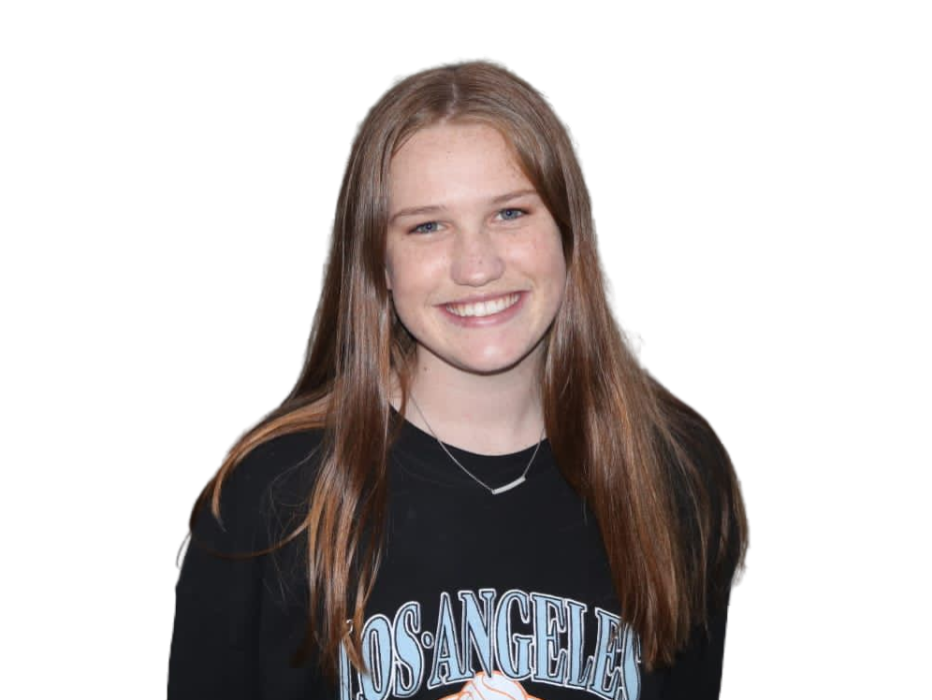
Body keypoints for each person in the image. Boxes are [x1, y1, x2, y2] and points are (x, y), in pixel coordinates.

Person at [167, 58, 750, 699]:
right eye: (427, 226)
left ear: (568, 232)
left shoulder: (678, 468)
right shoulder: (273, 494)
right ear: (379, 264)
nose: (476, 266)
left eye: (510, 213)